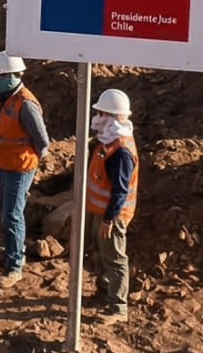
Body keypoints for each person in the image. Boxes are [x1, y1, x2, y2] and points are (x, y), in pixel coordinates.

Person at [0, 52, 51, 286]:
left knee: (13, 214)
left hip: (19, 167)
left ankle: (14, 267)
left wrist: (34, 161)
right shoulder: (3, 98)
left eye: (0, 76)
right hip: (3, 164)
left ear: (13, 75)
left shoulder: (26, 104)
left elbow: (42, 141)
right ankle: (12, 251)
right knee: (5, 210)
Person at [85, 88, 139, 323]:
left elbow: (120, 189)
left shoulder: (121, 151)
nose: (97, 116)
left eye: (101, 113)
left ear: (112, 117)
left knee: (115, 258)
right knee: (101, 253)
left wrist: (109, 219)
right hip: (100, 211)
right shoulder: (109, 141)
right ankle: (105, 290)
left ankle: (118, 307)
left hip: (112, 216)